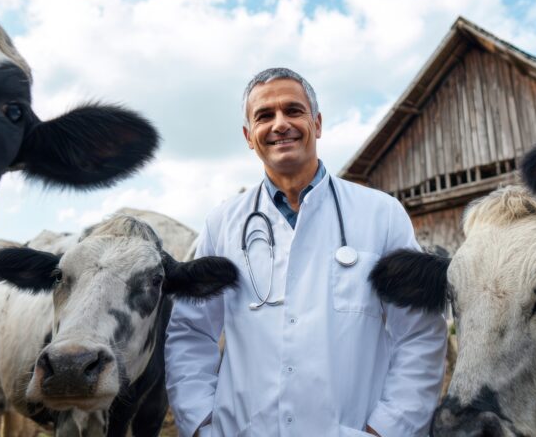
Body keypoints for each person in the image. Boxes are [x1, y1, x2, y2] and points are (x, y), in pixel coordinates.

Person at [165, 68, 447, 437]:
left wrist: (387, 429)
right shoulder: (223, 223)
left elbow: (420, 334)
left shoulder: (381, 214)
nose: (280, 124)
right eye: (264, 116)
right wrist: (201, 423)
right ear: (250, 137)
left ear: (316, 123)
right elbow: (191, 331)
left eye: (293, 111)